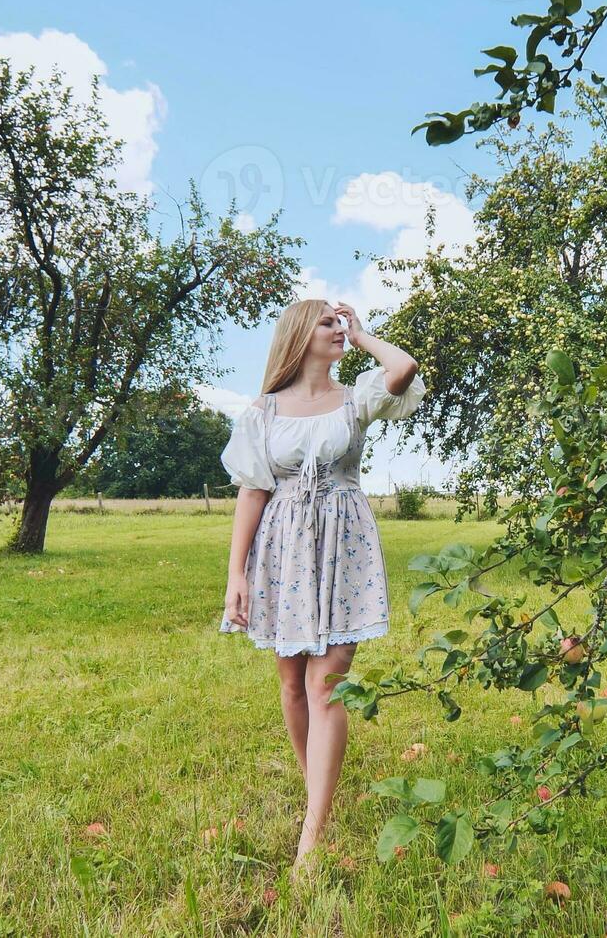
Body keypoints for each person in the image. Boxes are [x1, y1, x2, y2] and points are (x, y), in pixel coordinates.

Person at [218, 297, 425, 873]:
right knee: (291, 683)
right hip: (282, 549)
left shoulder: (355, 399)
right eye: (328, 323)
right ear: (297, 336)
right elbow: (253, 491)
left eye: (342, 322)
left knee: (326, 683)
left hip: (344, 543)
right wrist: (236, 574)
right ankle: (319, 794)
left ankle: (313, 834)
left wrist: (362, 336)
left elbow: (402, 369)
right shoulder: (264, 411)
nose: (338, 329)